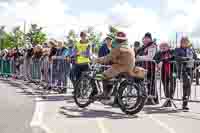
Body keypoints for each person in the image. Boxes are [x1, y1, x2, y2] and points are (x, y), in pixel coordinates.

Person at [93, 32, 135, 99]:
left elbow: (108, 58)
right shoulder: (129, 47)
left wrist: (97, 60)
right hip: (130, 68)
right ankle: (113, 94)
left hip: (121, 68)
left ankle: (105, 93)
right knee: (112, 77)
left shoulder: (118, 48)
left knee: (104, 75)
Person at [136, 32, 159, 105]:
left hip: (150, 66)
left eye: (147, 38)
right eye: (144, 38)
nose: (145, 40)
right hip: (143, 67)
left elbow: (150, 57)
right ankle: (150, 98)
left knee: (151, 83)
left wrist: (139, 58)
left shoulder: (152, 46)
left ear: (150, 39)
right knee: (146, 83)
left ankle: (151, 99)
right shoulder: (143, 47)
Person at [175, 36, 196, 110]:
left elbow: (195, 58)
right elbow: (177, 57)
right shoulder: (178, 49)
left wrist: (196, 60)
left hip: (190, 69)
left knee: (188, 86)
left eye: (186, 41)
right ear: (181, 42)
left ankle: (185, 103)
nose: (185, 42)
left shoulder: (191, 49)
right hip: (182, 69)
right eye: (183, 41)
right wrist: (186, 58)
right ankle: (185, 101)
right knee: (186, 82)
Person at [154, 42, 176, 107]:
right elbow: (155, 59)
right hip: (164, 71)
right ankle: (167, 99)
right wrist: (159, 61)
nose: (163, 48)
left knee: (173, 84)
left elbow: (174, 57)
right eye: (161, 47)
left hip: (173, 71)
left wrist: (163, 60)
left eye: (165, 46)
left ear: (168, 46)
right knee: (165, 85)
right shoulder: (159, 53)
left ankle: (170, 98)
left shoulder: (172, 51)